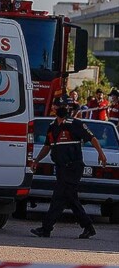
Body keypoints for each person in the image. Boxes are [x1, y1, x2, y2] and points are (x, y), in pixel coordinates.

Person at [30, 98, 107, 239]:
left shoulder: (75, 124)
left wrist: (101, 154)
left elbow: (92, 138)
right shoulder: (52, 126)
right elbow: (47, 146)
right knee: (70, 198)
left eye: (63, 105)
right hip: (61, 168)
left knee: (58, 197)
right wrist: (36, 160)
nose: (60, 107)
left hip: (73, 167)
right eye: (58, 105)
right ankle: (88, 227)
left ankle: (46, 228)